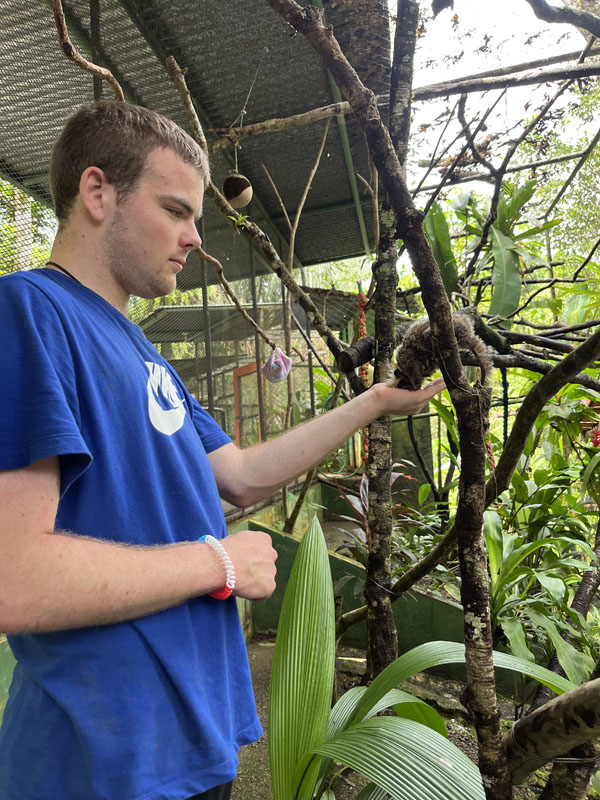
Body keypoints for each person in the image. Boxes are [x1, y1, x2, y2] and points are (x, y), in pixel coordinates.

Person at [0, 101, 445, 800]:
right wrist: (218, 562)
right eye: (176, 210)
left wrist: (374, 402)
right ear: (96, 193)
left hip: (192, 742)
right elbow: (16, 579)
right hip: (100, 758)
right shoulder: (27, 312)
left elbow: (238, 475)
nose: (194, 237)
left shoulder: (140, 346)